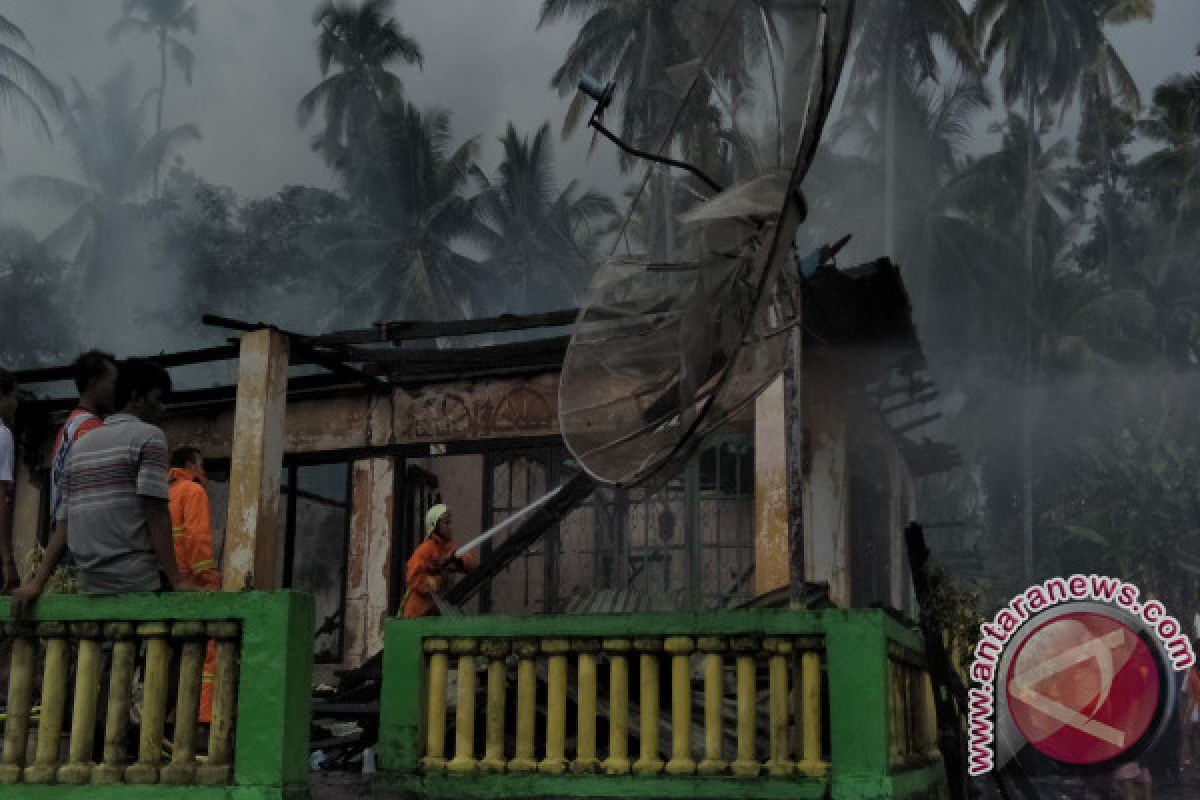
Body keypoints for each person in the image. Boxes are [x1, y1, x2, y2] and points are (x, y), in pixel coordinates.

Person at [13, 358, 200, 614]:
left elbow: (64, 525)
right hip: (137, 585)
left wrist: (37, 582)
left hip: (90, 588)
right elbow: (155, 510)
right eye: (158, 399)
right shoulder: (150, 436)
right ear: (137, 396)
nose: (163, 409)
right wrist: (177, 580)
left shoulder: (80, 446)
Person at [168, 445, 219, 724]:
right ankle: (203, 718)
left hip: (165, 585)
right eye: (201, 465)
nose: (204, 472)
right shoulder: (193, 491)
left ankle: (168, 718)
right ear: (189, 464)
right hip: (191, 585)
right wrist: (210, 581)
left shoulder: (164, 492)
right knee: (207, 655)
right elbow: (197, 541)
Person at [48, 350, 118, 531]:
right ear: (94, 383)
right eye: (113, 383)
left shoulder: (69, 426)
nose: (116, 390)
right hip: (80, 536)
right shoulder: (92, 429)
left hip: (63, 531)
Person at [401, 504, 477, 619]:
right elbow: (413, 578)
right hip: (417, 614)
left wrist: (460, 562)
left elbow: (471, 563)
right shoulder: (425, 550)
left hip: (435, 612)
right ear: (434, 526)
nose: (450, 526)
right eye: (446, 523)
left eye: (450, 522)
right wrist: (438, 580)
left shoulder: (449, 547)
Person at [0, 369, 19, 592]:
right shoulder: (2, 434)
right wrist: (7, 560)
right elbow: (1, 496)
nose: (17, 404)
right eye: (14, 396)